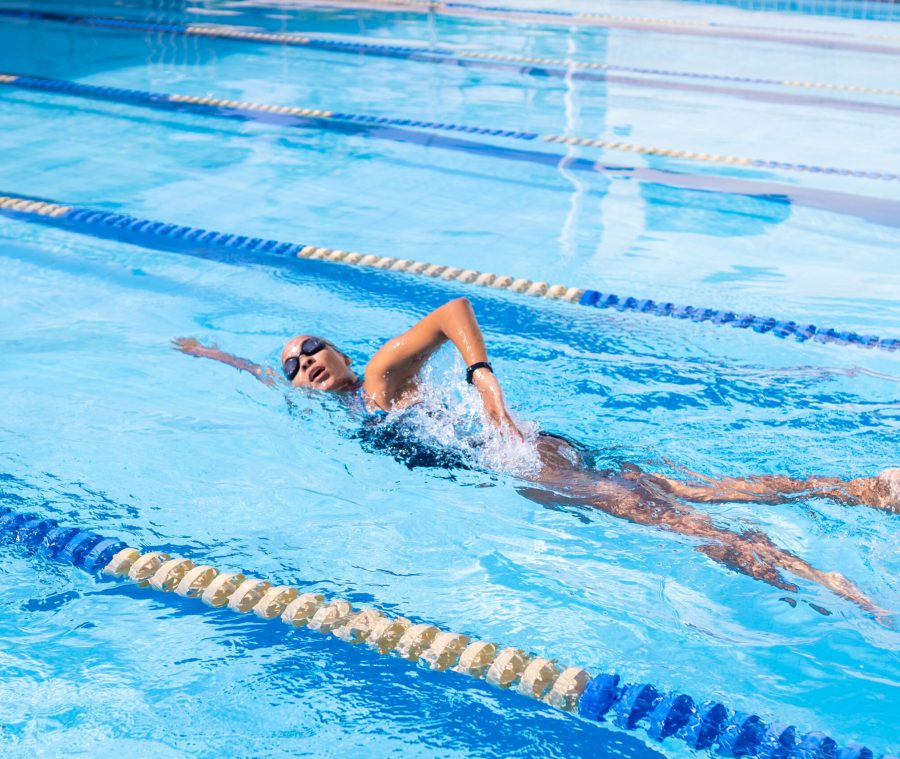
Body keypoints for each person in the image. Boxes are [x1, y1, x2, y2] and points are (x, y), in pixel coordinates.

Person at [173, 297, 897, 619]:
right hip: (545, 451)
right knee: (693, 490)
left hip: (528, 465)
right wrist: (214, 355)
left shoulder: (380, 378)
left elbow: (452, 309)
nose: (303, 366)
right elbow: (266, 376)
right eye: (294, 366)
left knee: (676, 522)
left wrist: (482, 380)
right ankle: (860, 489)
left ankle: (828, 581)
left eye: (310, 350)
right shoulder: (335, 398)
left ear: (338, 350)